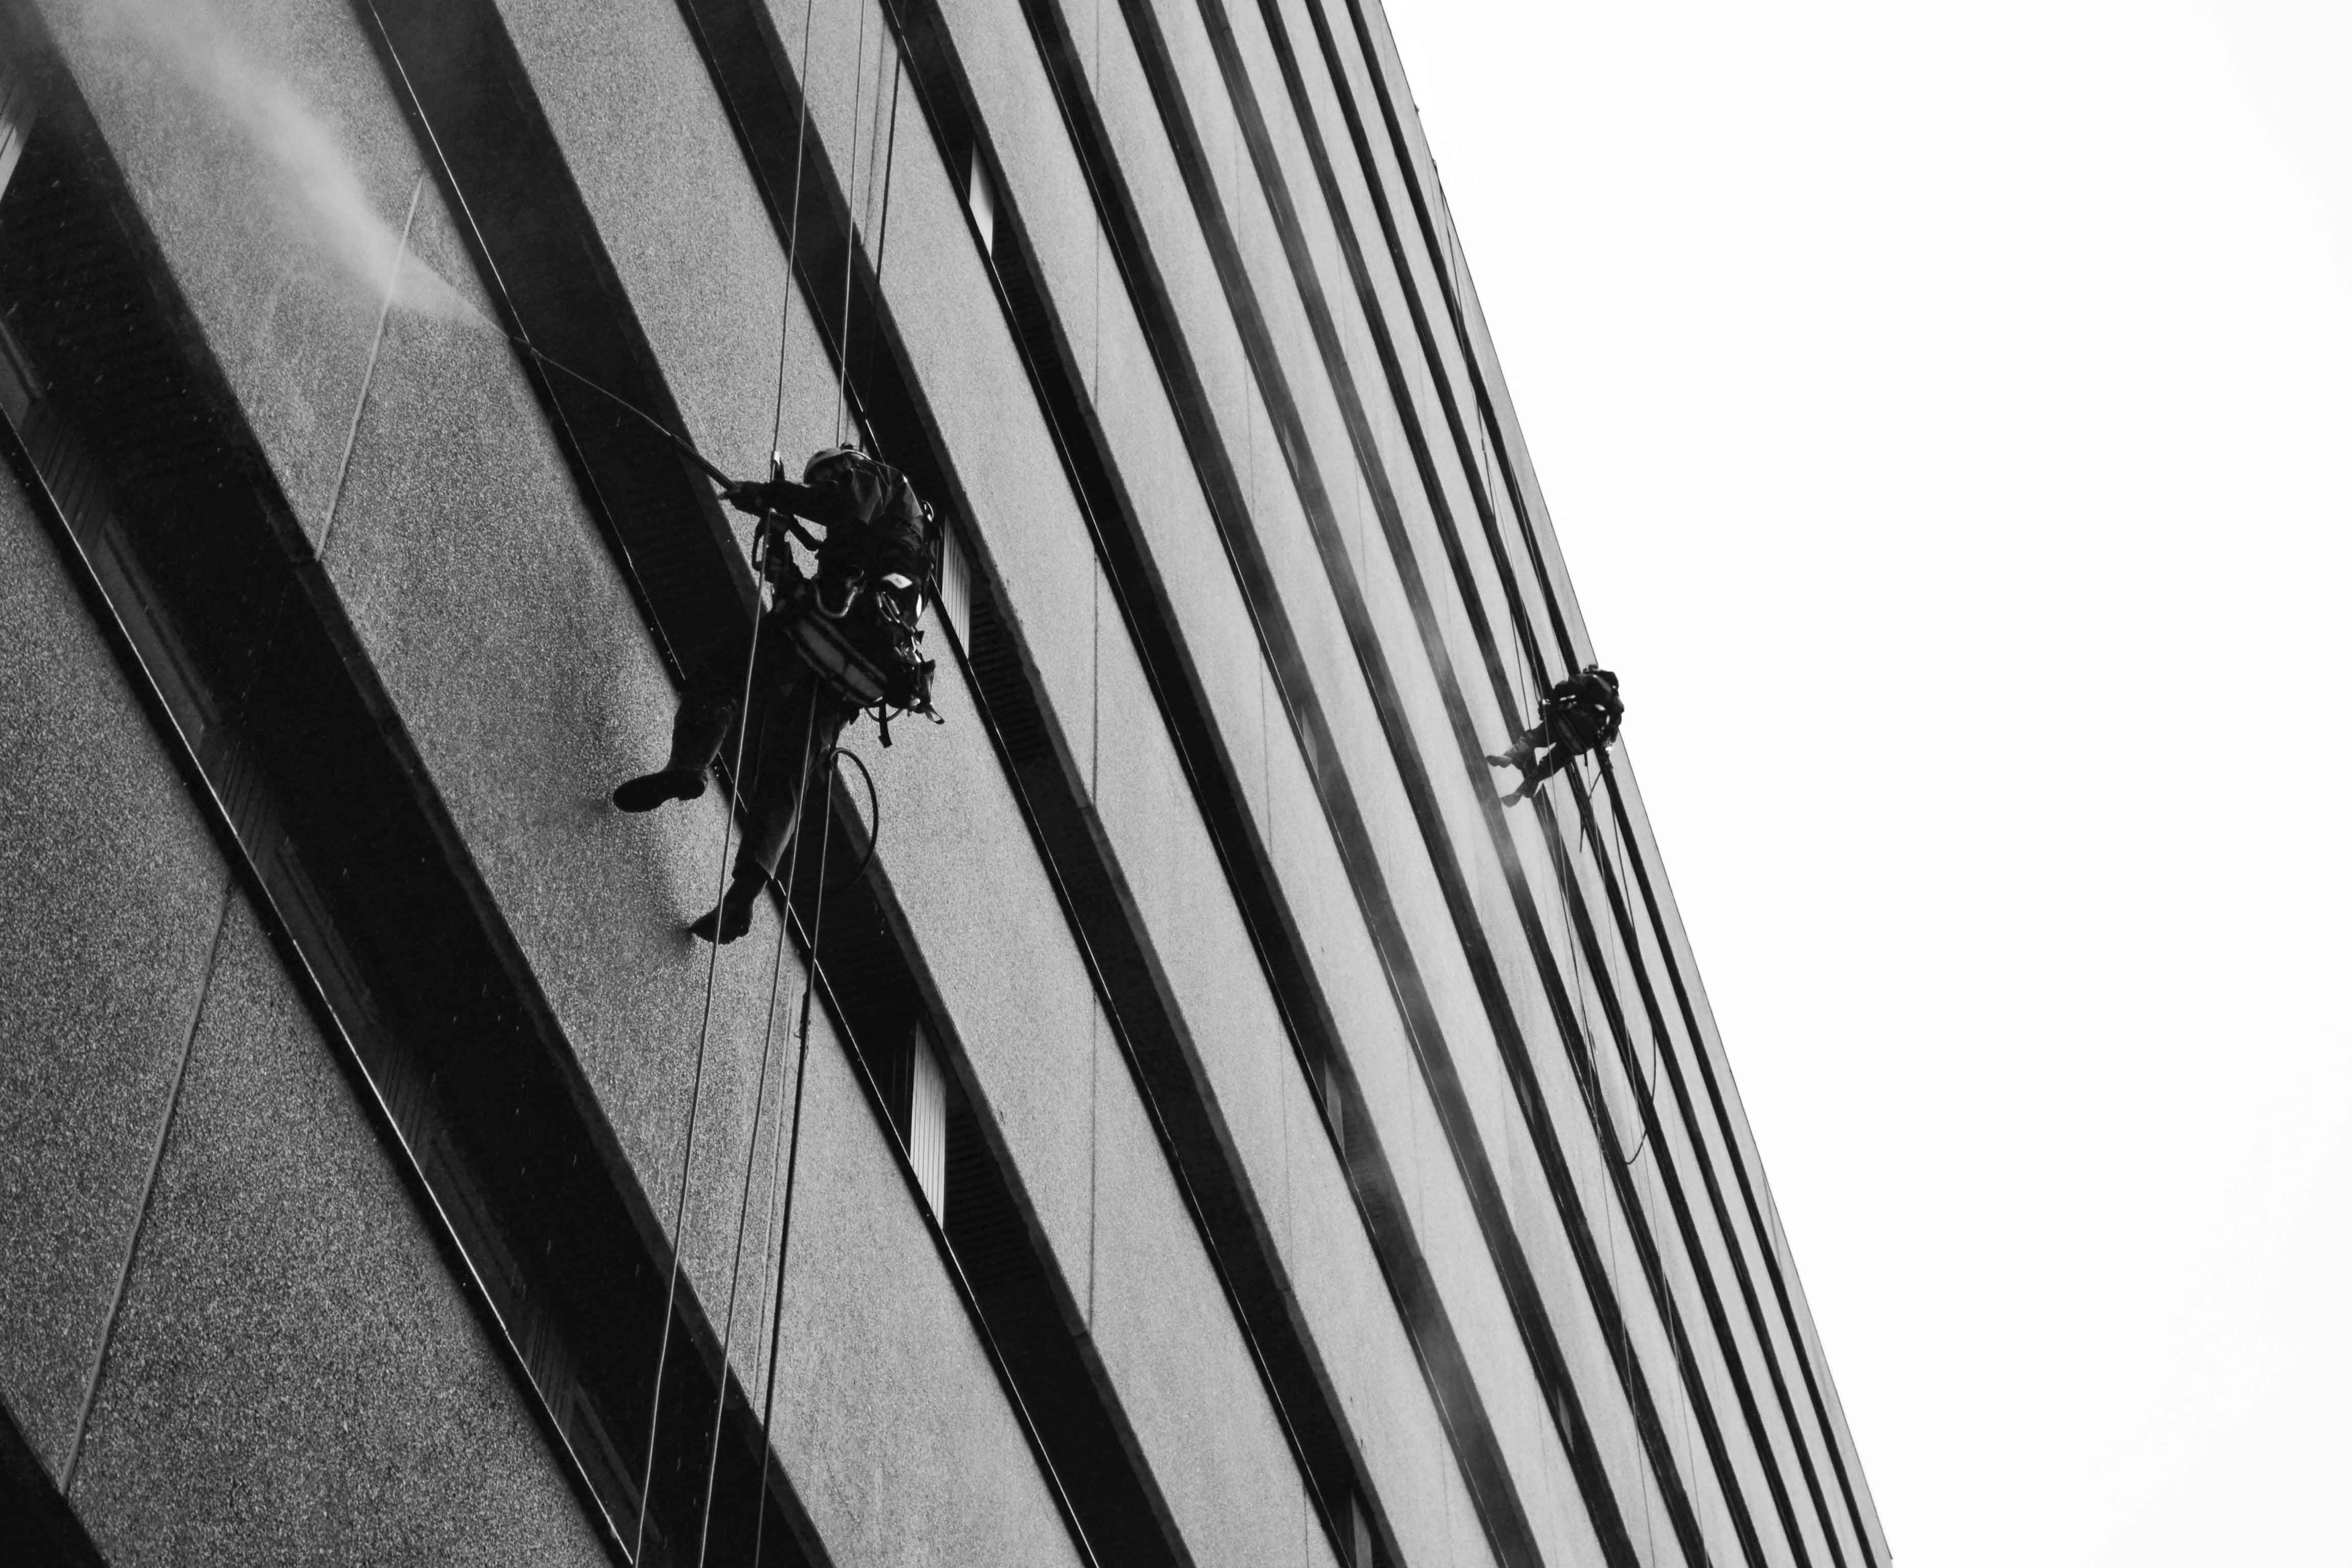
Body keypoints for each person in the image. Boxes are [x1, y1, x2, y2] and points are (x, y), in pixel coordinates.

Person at [612, 446, 937, 943]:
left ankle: (689, 764)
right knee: (787, 772)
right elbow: (800, 587)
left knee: (722, 677)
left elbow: (843, 506)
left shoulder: (879, 478)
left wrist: (769, 494)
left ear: (842, 466)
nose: (824, 487)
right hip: (858, 667)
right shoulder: (899, 561)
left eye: (825, 478)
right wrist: (780, 541)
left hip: (837, 626)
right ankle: (742, 896)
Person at [1487, 665, 1622, 805]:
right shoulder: (1617, 711)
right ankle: (1522, 791)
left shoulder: (1594, 679)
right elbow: (1608, 740)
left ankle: (1510, 757)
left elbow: (1568, 687)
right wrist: (1603, 755)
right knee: (1549, 765)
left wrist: (1550, 701)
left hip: (1564, 722)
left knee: (1533, 738)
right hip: (1579, 744)